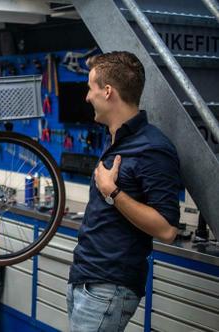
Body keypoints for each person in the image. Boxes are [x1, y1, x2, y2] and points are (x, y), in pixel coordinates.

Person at [66, 51, 181, 332]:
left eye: (90, 88)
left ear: (107, 92)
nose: (86, 97)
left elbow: (167, 229)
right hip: (88, 279)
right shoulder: (117, 140)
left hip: (109, 285)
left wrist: (113, 192)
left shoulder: (152, 148)